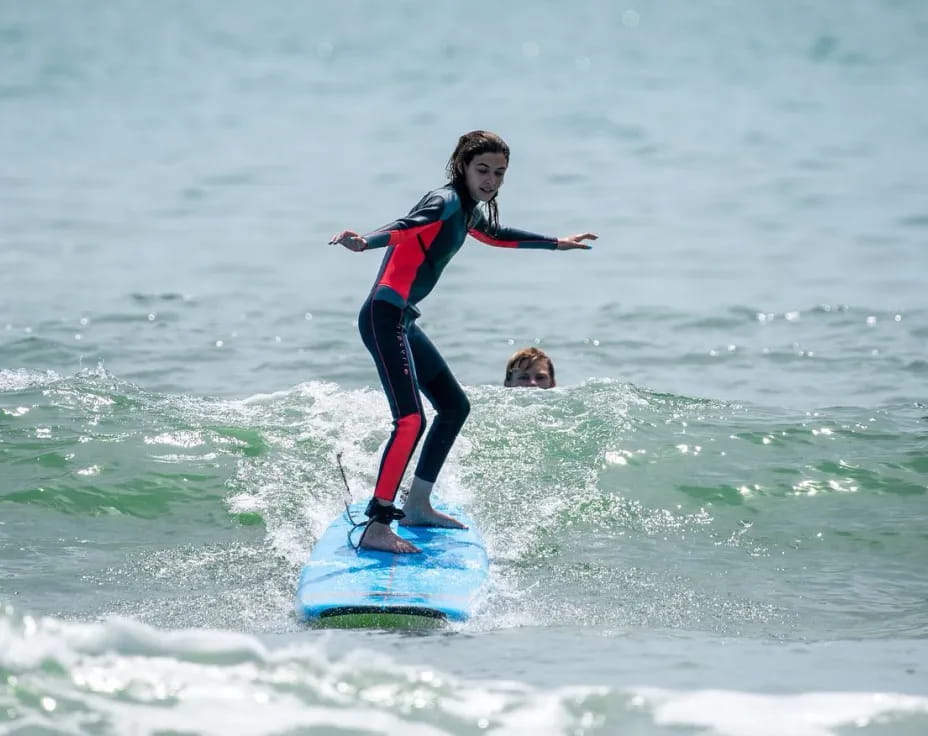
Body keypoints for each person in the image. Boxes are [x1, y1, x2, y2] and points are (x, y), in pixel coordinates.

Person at [330, 130, 597, 553]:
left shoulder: (468, 210)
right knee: (411, 419)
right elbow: (406, 228)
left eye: (499, 173)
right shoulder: (445, 200)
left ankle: (417, 504)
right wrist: (366, 241)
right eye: (482, 170)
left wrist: (555, 243)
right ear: (462, 166)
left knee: (454, 406)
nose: (490, 180)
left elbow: (495, 234)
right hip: (385, 315)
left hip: (403, 319)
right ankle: (377, 524)